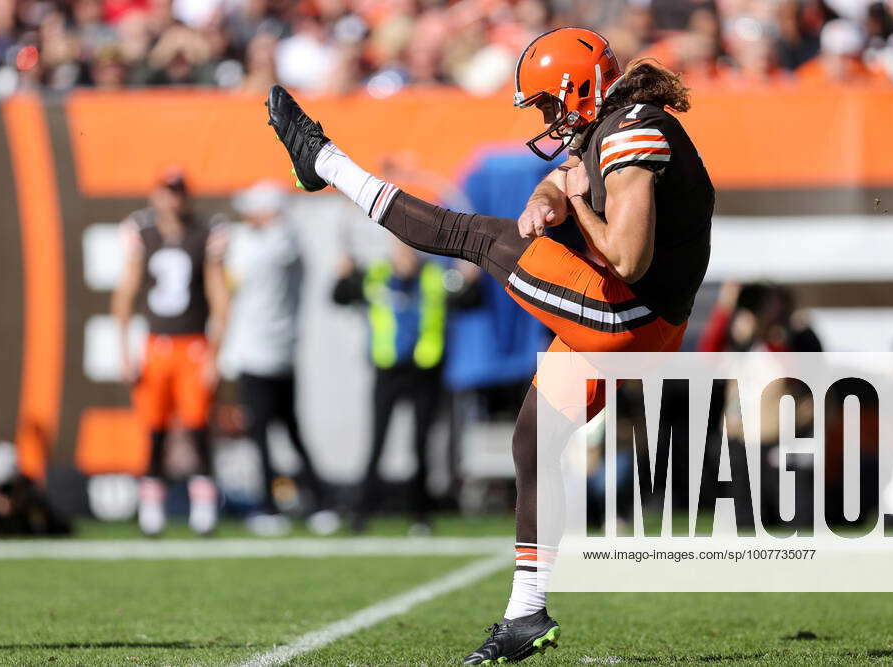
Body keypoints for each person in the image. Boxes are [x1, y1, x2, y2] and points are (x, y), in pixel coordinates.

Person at [266, 26, 713, 664]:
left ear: (578, 89)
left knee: (470, 235)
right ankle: (526, 613)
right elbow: (567, 181)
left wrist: (579, 205)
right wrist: (547, 195)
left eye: (547, 104)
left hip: (630, 314)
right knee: (533, 438)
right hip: (642, 319)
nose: (546, 119)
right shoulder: (612, 123)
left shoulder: (631, 132)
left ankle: (327, 162)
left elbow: (629, 256)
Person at [111, 168, 230, 537]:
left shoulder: (204, 233)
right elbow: (126, 293)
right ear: (155, 195)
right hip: (156, 344)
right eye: (166, 191)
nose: (172, 199)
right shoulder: (142, 234)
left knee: (196, 427)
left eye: (178, 192)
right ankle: (152, 505)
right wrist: (124, 349)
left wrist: (215, 352)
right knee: (155, 429)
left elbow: (219, 296)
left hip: (193, 344)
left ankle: (204, 504)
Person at [223, 180, 337, 537]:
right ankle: (311, 501)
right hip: (260, 351)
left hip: (267, 352)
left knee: (277, 431)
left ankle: (278, 504)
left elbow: (238, 272)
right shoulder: (268, 240)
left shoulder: (277, 243)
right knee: (280, 430)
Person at [332, 239, 448, 536]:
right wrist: (343, 274)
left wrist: (469, 277)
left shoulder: (436, 276)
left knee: (421, 445)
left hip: (424, 371)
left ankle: (421, 515)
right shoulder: (377, 276)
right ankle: (361, 513)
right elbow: (340, 296)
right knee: (377, 444)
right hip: (388, 370)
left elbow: (471, 297)